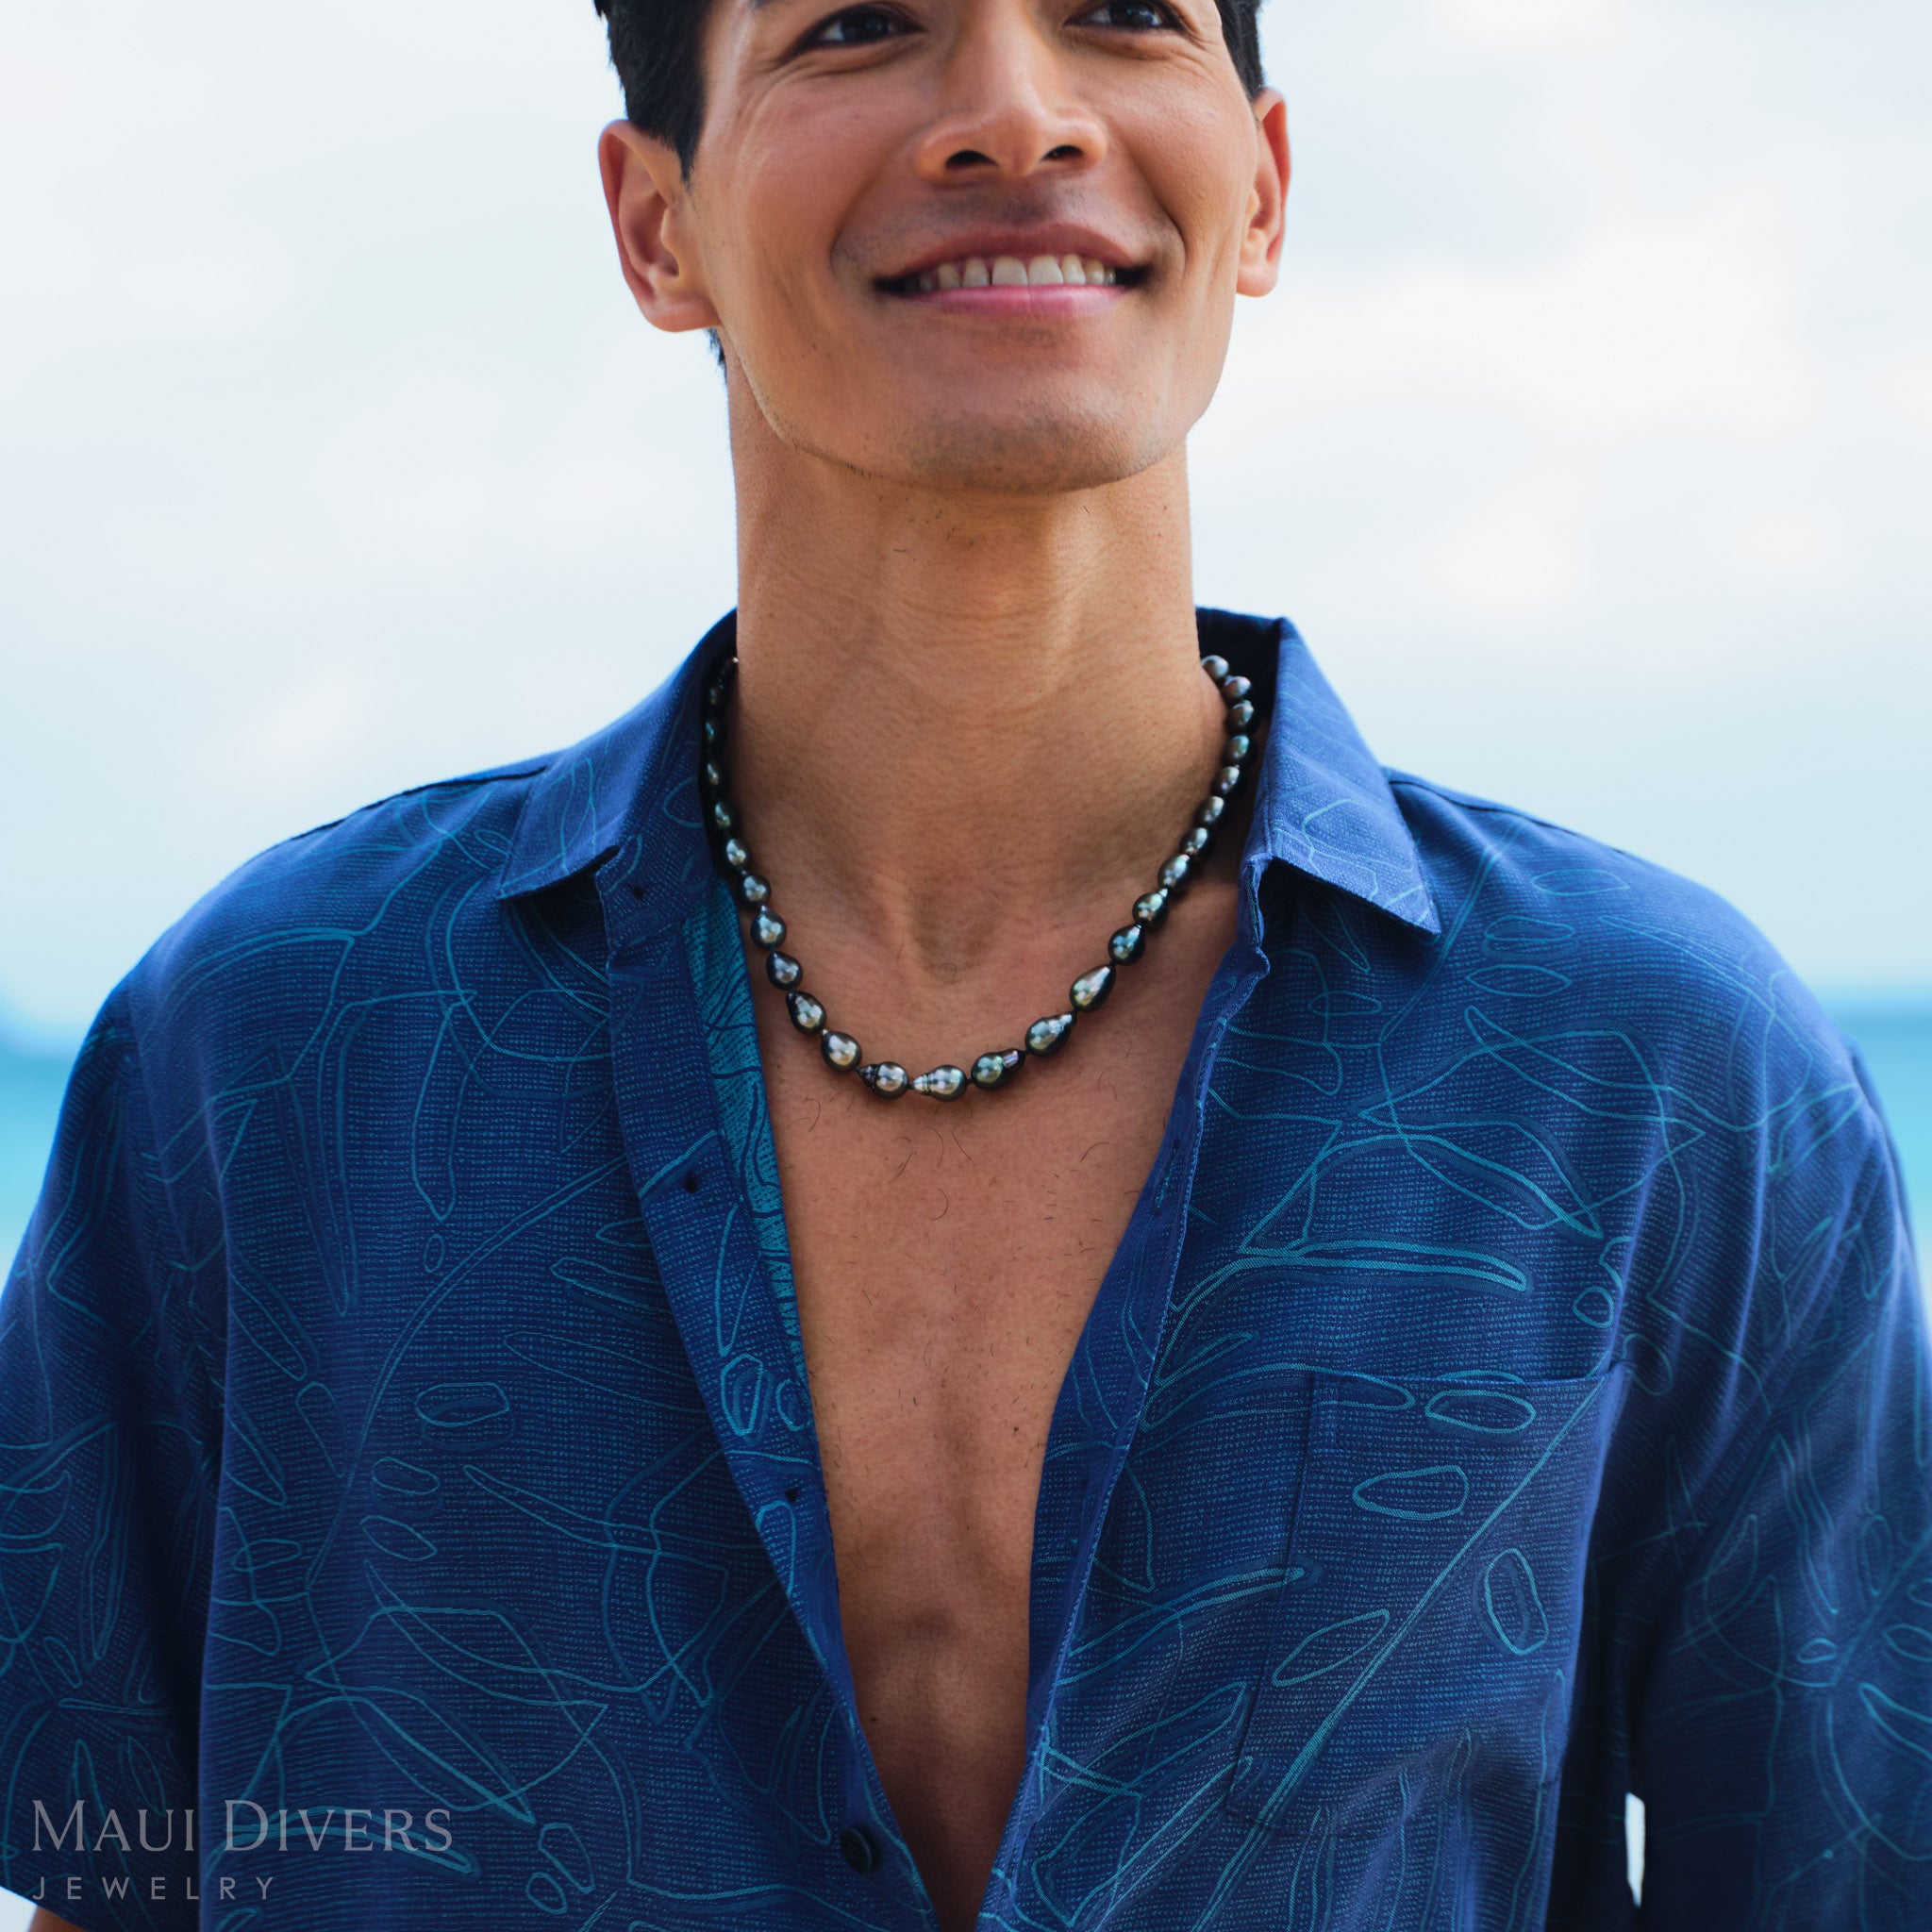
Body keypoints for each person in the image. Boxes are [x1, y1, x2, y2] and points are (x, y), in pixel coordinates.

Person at [6, 0, 1929, 1925]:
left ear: (1260, 188)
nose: (1014, 116)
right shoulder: (263, 1057)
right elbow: (104, 1874)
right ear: (653, 224)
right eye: (857, 25)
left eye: (1117, 19)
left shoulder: (1655, 1077)